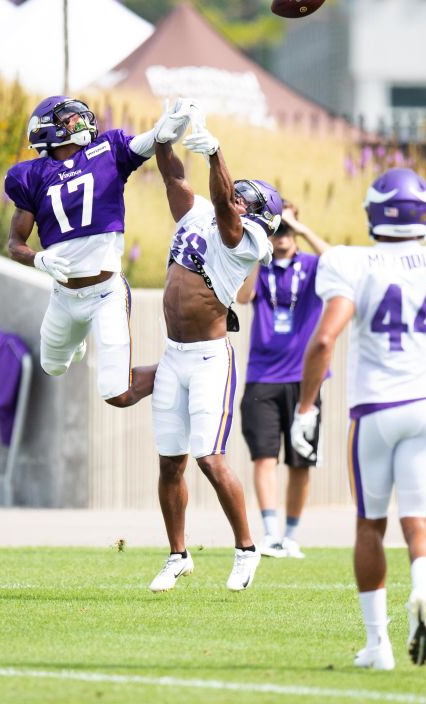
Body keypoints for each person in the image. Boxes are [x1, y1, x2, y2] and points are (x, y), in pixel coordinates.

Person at [289, 168, 426, 669]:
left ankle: (378, 646)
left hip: (376, 410)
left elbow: (323, 339)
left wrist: (306, 405)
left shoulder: (352, 263)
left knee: (369, 527)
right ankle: (422, 590)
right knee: (419, 522)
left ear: (374, 214)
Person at [146, 109, 283, 594]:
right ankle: (177, 555)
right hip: (173, 353)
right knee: (170, 461)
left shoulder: (248, 239)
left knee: (210, 457)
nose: (238, 197)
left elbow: (225, 207)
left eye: (247, 198)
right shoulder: (204, 212)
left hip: (208, 360)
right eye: (238, 190)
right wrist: (165, 135)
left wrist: (216, 151)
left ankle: (247, 549)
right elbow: (173, 177)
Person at [5, 97, 192, 407]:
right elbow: (15, 243)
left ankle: (181, 371)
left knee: (116, 395)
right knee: (52, 366)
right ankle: (76, 338)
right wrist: (38, 258)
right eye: (69, 119)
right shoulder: (31, 175)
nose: (80, 121)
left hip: (106, 295)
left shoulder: (107, 150)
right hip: (63, 297)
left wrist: (165, 130)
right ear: (46, 129)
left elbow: (148, 142)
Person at [233, 204, 331, 559]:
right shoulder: (261, 267)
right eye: (277, 229)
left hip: (305, 380)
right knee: (264, 457)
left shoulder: (312, 266)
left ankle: (291, 535)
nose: (283, 236)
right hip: (262, 377)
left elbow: (340, 263)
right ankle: (271, 533)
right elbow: (243, 297)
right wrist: (259, 247)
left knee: (301, 461)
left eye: (286, 229)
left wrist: (301, 229)